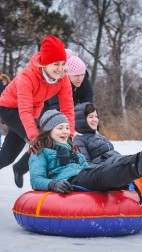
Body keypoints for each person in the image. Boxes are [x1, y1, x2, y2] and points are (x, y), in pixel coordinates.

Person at [29, 109, 142, 196]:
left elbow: (87, 168)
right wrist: (53, 184)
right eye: (60, 128)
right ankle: (138, 166)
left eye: (67, 128)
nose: (65, 131)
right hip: (70, 180)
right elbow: (36, 179)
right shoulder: (40, 151)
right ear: (48, 131)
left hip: (84, 176)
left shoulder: (73, 149)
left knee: (110, 170)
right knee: (104, 174)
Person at [12, 54, 93, 188]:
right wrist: (66, 130)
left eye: (82, 74)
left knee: (68, 143)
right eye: (76, 75)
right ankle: (24, 169)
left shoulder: (84, 83)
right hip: (49, 115)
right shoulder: (59, 82)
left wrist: (88, 127)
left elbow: (87, 107)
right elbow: (58, 109)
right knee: (45, 144)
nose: (80, 78)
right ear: (68, 74)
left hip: (67, 118)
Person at [0, 35, 75, 179]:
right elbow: (25, 109)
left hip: (31, 112)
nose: (60, 69)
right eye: (55, 64)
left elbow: (67, 108)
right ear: (45, 63)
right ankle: (49, 180)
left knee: (7, 157)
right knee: (43, 140)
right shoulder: (27, 76)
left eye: (62, 63)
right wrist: (35, 137)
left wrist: (69, 134)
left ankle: (19, 168)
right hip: (8, 108)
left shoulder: (62, 79)